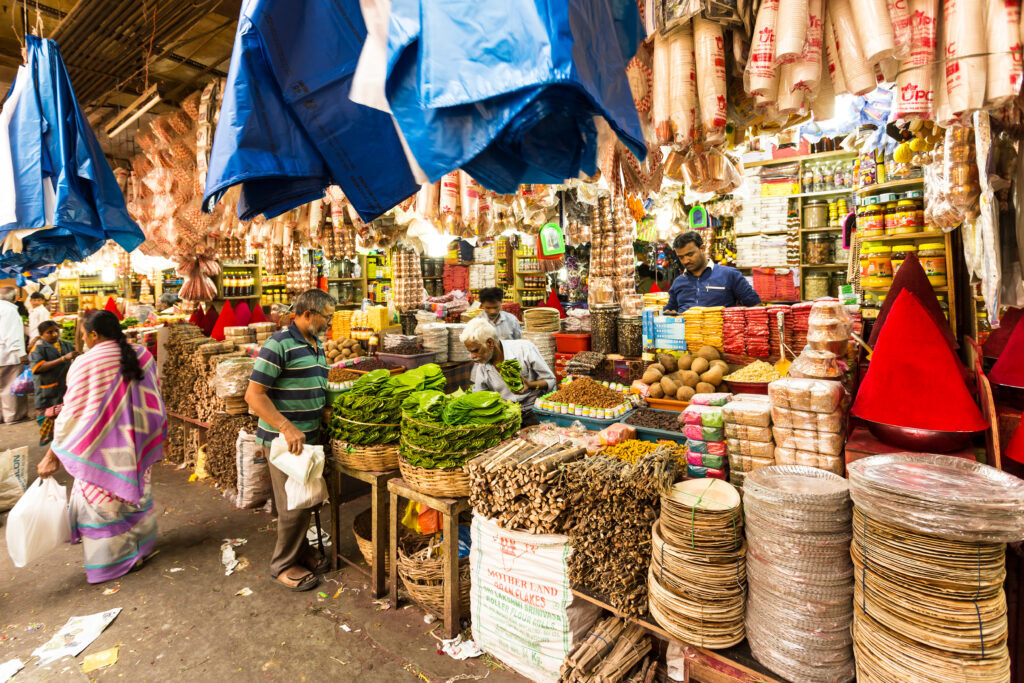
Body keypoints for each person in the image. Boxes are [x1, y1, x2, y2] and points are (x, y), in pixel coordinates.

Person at [35, 310, 167, 583]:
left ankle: (114, 562)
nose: (83, 339)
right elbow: (151, 394)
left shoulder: (85, 363)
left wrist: (54, 453)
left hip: (99, 446)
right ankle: (140, 548)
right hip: (136, 442)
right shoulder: (142, 353)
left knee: (101, 505)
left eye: (84, 335)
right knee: (135, 495)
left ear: (93, 335)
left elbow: (73, 413)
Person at [245, 289, 336, 592]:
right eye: (327, 317)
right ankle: (282, 565)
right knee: (292, 507)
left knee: (307, 499)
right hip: (284, 440)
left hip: (308, 437)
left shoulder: (315, 344)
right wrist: (286, 426)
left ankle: (302, 552)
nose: (329, 323)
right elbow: (253, 396)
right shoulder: (278, 345)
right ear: (308, 313)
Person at [460, 316, 555, 427]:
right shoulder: (481, 366)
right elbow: (480, 396)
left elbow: (550, 380)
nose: (472, 356)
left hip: (534, 411)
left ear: (490, 343)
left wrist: (530, 385)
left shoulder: (524, 349)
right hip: (506, 417)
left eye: (475, 350)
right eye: (470, 352)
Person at [663, 231, 761, 313]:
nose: (685, 261)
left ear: (702, 248)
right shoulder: (679, 282)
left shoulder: (730, 275)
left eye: (690, 254)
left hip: (720, 333)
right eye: (681, 257)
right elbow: (670, 309)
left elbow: (755, 306)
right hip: (688, 334)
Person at [28, 320, 75, 445]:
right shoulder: (38, 349)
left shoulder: (66, 345)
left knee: (63, 422)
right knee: (46, 418)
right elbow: (38, 368)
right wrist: (63, 359)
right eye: (50, 332)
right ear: (42, 335)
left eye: (56, 331)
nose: (54, 334)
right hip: (46, 390)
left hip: (64, 388)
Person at [0, 286, 28, 424]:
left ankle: (2, 416)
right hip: (7, 356)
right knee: (11, 387)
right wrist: (21, 355)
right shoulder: (9, 311)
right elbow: (11, 336)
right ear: (14, 298)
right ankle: (13, 416)